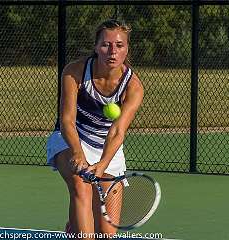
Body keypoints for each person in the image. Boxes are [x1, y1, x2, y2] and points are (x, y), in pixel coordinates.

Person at [46, 19, 144, 239]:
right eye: (106, 45)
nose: (112, 51)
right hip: (71, 138)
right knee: (81, 187)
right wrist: (78, 154)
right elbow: (67, 120)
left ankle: (74, 224)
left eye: (119, 45)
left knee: (107, 234)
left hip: (108, 147)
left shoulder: (133, 87)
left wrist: (102, 164)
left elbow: (118, 132)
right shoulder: (75, 72)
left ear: (127, 49)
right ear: (95, 47)